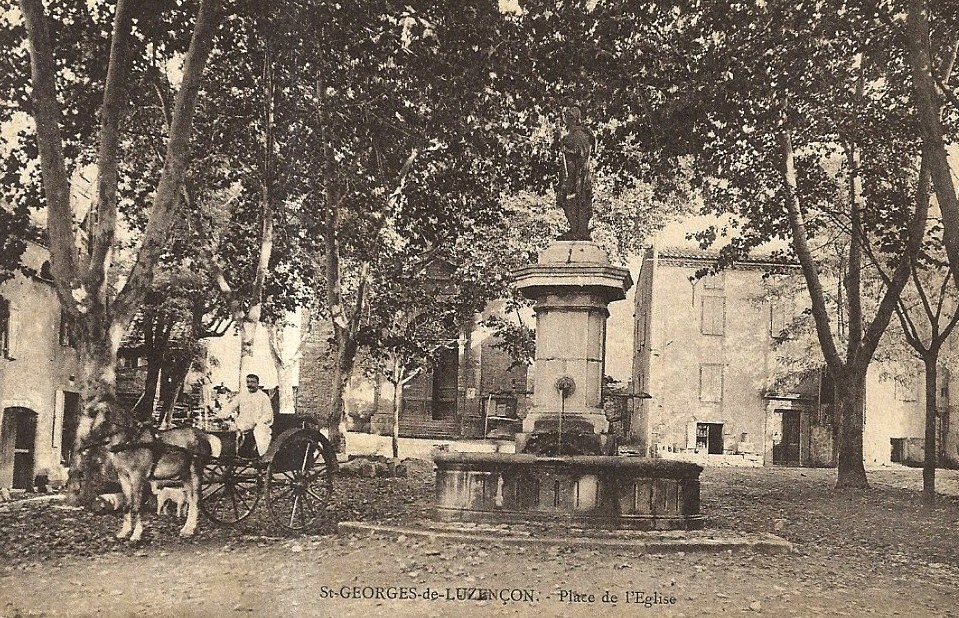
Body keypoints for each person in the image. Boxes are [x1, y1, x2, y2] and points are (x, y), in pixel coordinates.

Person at [555, 105, 595, 241]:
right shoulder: (569, 136)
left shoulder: (580, 135)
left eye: (569, 118)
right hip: (570, 176)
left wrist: (566, 150)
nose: (567, 121)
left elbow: (582, 154)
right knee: (565, 200)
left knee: (577, 201)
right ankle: (575, 228)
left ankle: (580, 230)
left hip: (579, 176)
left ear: (574, 119)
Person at [218, 374, 274, 456]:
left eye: (253, 382)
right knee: (228, 430)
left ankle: (261, 455)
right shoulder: (242, 395)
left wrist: (257, 422)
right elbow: (230, 407)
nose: (250, 384)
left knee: (260, 432)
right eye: (248, 382)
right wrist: (220, 415)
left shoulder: (263, 397)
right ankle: (231, 453)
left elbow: (268, 415)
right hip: (242, 424)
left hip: (258, 425)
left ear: (258, 383)